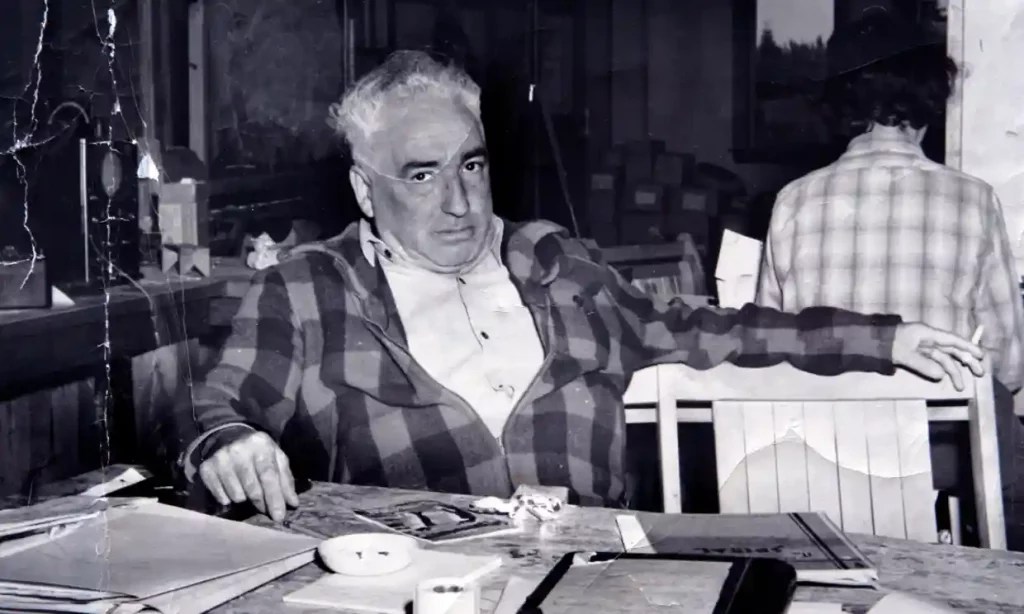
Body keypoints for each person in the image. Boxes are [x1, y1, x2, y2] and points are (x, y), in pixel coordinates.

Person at [181, 49, 984, 524]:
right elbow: (212, 403)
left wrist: (888, 338)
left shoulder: (561, 268)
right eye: (422, 175)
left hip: (593, 582)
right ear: (366, 189)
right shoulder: (308, 289)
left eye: (471, 165)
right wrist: (227, 441)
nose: (459, 201)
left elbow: (719, 329)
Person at [755, 10, 1024, 548]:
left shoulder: (792, 199)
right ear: (930, 99)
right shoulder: (974, 199)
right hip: (938, 453)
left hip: (822, 450)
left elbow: (767, 347)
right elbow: (1009, 363)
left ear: (842, 103)